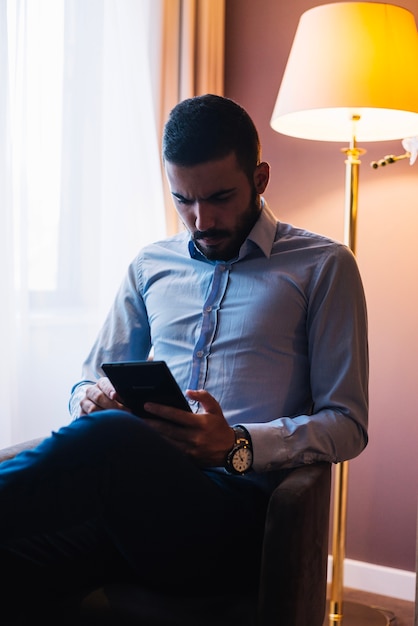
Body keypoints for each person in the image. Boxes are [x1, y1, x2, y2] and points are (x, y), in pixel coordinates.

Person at [0, 94, 368, 623]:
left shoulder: (323, 266)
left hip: (232, 520)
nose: (202, 219)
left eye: (220, 197)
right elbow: (86, 378)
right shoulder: (150, 264)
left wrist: (237, 444)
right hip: (135, 507)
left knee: (112, 440)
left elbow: (348, 424)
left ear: (260, 178)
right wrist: (92, 399)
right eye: (184, 201)